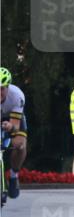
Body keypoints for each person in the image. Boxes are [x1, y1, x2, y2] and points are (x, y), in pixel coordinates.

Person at [1, 66, 28, 199]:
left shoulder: (17, 95)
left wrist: (10, 127)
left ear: (8, 87)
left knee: (20, 144)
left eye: (2, 88)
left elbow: (16, 127)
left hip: (12, 118)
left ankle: (13, 175)